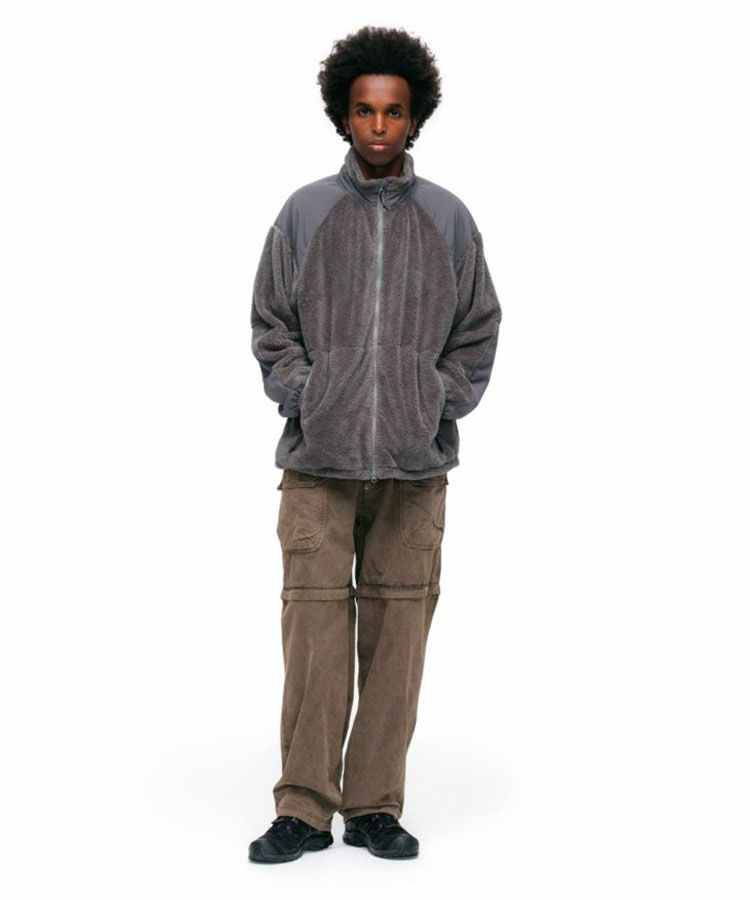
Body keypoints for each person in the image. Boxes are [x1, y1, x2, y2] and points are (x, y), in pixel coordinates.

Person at [248, 25, 502, 863]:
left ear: (415, 116)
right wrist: (308, 393)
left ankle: (374, 806)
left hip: (414, 467)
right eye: (365, 110)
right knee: (314, 642)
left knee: (398, 641)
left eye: (394, 112)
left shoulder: (449, 220)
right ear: (344, 115)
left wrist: (435, 401)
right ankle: (302, 808)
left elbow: (478, 329)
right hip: (317, 470)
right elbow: (271, 323)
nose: (380, 126)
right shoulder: (306, 213)